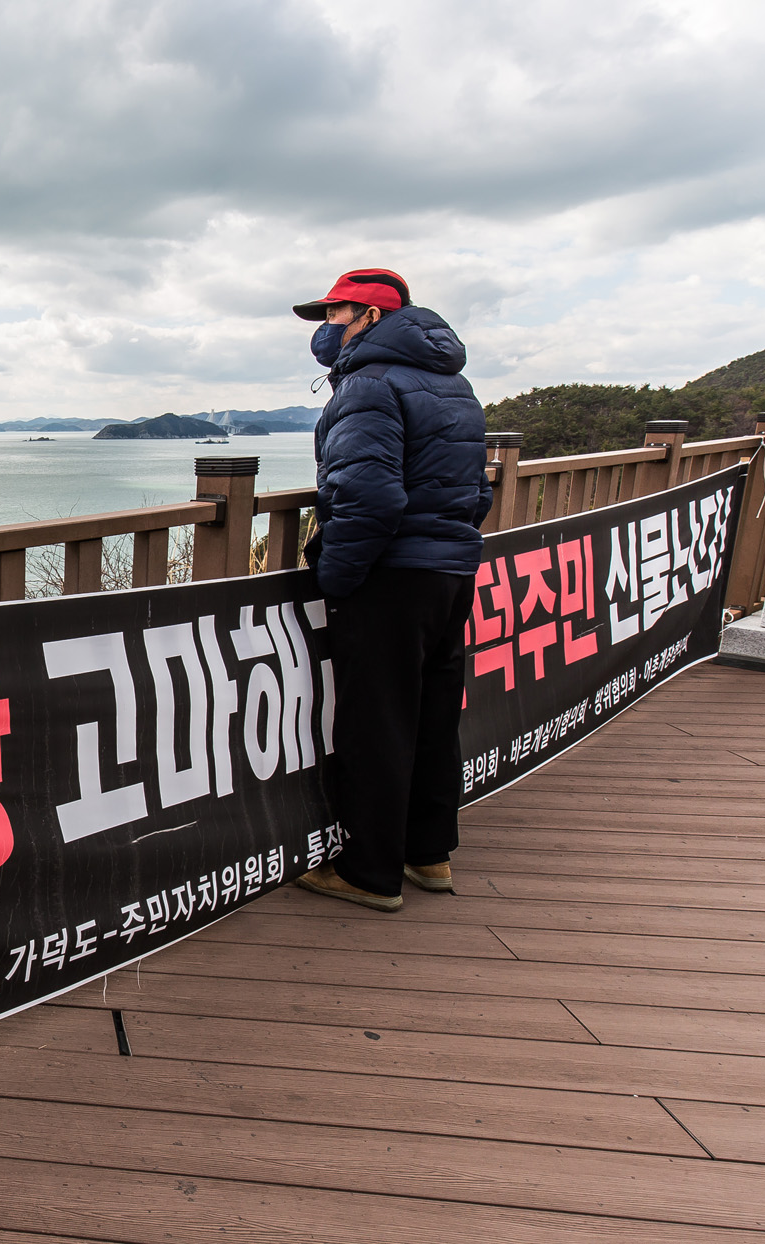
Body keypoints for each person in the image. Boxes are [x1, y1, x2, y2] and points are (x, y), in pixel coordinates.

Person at [290, 268, 490, 912]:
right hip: (450, 570)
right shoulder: (451, 383)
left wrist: (339, 577)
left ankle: (368, 871)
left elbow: (368, 496)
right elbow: (476, 490)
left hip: (392, 575)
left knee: (377, 721)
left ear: (371, 318)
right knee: (433, 714)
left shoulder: (368, 386)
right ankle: (428, 854)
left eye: (336, 314)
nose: (326, 328)